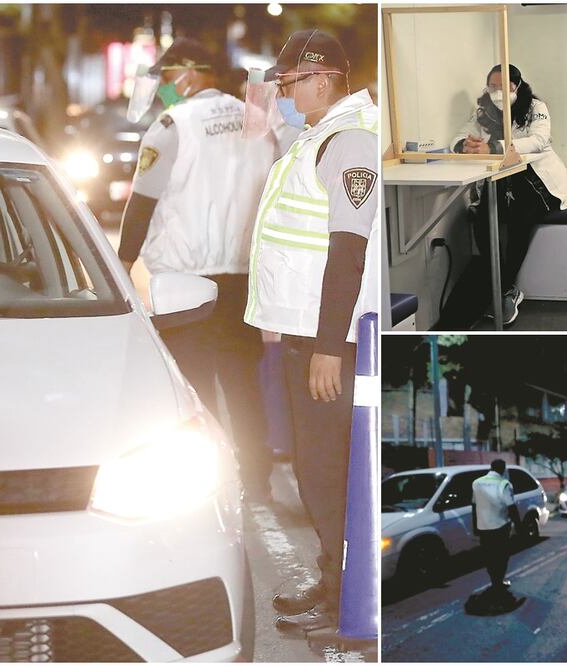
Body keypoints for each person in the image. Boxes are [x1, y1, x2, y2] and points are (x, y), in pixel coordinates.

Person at [243, 29, 379, 635]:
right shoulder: (319, 134)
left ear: (322, 79)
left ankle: (348, 601)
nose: (285, 94)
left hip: (332, 341)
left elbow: (348, 250)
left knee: (327, 475)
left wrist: (327, 347)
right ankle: (333, 582)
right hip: (308, 333)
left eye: (291, 83)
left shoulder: (350, 141)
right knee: (314, 470)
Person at [118, 38, 279, 502]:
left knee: (194, 387)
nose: (165, 88)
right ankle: (257, 479)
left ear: (190, 73)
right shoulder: (257, 120)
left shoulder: (173, 125)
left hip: (183, 286)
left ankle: (210, 484)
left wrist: (122, 263)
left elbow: (142, 203)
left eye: (168, 78)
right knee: (243, 385)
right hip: (240, 278)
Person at [439, 64, 567, 327]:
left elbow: (538, 140)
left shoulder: (535, 108)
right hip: (503, 182)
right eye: (493, 86)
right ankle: (496, 284)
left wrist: (493, 147)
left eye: (504, 86)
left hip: (537, 181)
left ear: (518, 85)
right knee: (481, 216)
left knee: (521, 217)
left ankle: (506, 287)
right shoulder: (483, 112)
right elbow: (459, 136)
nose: (498, 92)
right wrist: (464, 145)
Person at [471, 460, 522, 597]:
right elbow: (511, 507)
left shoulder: (477, 483)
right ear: (503, 469)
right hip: (500, 527)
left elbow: (474, 506)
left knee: (489, 556)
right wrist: (519, 527)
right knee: (502, 556)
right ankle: (498, 582)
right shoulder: (504, 484)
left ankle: (494, 581)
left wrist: (475, 526)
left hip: (483, 526)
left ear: (491, 467)